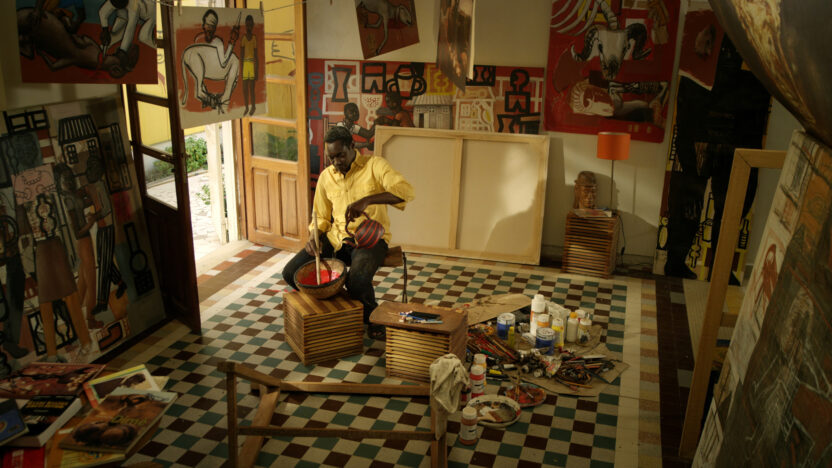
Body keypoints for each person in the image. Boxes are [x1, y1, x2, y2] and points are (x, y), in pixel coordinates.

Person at [282, 126, 414, 340]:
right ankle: (340, 307)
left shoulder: (375, 165)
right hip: (336, 238)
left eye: (340, 155)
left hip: (370, 240)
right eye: (331, 157)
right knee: (291, 273)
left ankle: (372, 316)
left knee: (357, 281)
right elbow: (320, 217)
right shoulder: (326, 177)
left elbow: (406, 192)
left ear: (352, 146)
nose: (336, 162)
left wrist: (367, 200)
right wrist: (313, 237)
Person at [240, 14, 257, 116]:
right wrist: (241, 69)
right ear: (245, 26)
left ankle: (253, 106)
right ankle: (246, 107)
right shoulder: (244, 38)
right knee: (245, 88)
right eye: (247, 25)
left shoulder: (254, 38)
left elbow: (256, 55)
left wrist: (256, 69)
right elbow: (242, 54)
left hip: (252, 64)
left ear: (253, 25)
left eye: (250, 25)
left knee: (251, 88)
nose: (249, 27)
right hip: (245, 64)